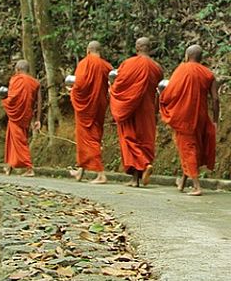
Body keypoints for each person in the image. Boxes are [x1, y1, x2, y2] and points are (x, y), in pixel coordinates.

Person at [160, 45, 219, 197]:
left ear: (186, 56)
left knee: (188, 149)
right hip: (201, 116)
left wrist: (163, 102)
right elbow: (215, 99)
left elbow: (169, 92)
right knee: (190, 149)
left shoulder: (182, 70)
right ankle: (183, 182)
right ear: (201, 58)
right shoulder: (208, 74)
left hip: (184, 116)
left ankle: (196, 186)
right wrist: (215, 120)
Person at [110, 37, 163, 188]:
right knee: (144, 140)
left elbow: (119, 86)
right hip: (147, 109)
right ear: (149, 48)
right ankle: (138, 175)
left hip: (130, 109)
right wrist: (157, 111)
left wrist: (111, 90)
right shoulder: (157, 67)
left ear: (137, 47)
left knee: (129, 139)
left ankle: (142, 169)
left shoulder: (128, 64)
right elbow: (159, 92)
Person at [69, 41, 112, 184]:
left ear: (88, 51)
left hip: (85, 107)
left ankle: (100, 174)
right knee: (90, 137)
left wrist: (72, 92)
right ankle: (80, 171)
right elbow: (113, 85)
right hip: (99, 106)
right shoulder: (107, 66)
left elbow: (80, 84)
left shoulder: (84, 63)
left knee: (89, 139)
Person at [3, 60, 41, 177]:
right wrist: (38, 119)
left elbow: (12, 98)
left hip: (16, 115)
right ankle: (9, 166)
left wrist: (4, 101)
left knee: (20, 141)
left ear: (17, 70)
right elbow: (39, 101)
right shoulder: (35, 82)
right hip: (26, 115)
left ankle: (29, 168)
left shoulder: (15, 79)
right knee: (14, 140)